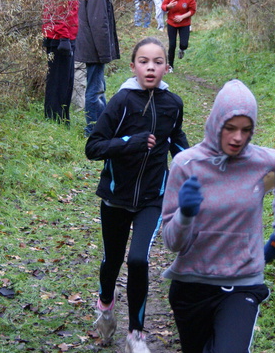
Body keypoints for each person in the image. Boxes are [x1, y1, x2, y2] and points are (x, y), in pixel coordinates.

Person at [161, 79, 275, 353]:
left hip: (242, 283)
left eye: (246, 130)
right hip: (192, 284)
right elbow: (171, 242)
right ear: (216, 125)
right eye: (230, 128)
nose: (238, 138)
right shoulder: (186, 165)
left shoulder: (263, 166)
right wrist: (186, 215)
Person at [85, 37, 190, 352]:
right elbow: (94, 147)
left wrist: (199, 165)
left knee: (139, 260)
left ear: (166, 67)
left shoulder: (173, 104)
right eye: (144, 61)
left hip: (153, 197)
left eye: (158, 62)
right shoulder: (121, 102)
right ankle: (105, 305)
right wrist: (129, 141)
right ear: (133, 66)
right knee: (112, 260)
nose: (151, 67)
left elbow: (177, 141)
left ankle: (136, 335)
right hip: (115, 197)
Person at [75, 0, 121, 137]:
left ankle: (101, 126)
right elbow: (99, 24)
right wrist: (104, 53)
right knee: (94, 89)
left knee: (98, 87)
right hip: (93, 47)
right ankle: (92, 129)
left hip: (90, 45)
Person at [42, 0, 84, 122]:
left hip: (63, 35)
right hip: (59, 37)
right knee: (59, 83)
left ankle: (60, 120)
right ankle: (54, 121)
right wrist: (64, 37)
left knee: (64, 82)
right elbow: (56, 5)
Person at [71, 0, 98, 112]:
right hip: (85, 28)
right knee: (84, 69)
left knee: (76, 69)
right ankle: (82, 109)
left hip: (68, 26)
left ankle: (78, 107)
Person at [161, 0, 196, 71]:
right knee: (172, 45)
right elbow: (163, 6)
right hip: (172, 23)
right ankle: (170, 66)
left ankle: (181, 50)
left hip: (184, 23)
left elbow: (192, 10)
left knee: (184, 44)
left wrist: (182, 17)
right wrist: (169, 6)